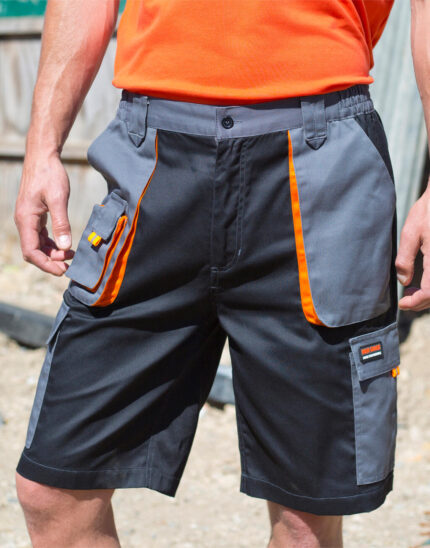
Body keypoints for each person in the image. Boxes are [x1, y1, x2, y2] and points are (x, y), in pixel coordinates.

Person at [12, 1, 430, 546]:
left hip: (320, 165)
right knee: (53, 485)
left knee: (306, 517)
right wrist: (42, 148)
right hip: (153, 161)